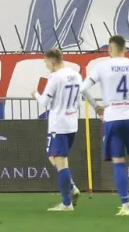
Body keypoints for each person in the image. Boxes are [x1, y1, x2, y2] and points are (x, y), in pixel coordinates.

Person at [84, 34, 129, 216]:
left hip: (113, 117)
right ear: (126, 49)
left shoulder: (102, 67)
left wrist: (96, 107)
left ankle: (126, 206)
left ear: (110, 49)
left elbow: (82, 89)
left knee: (118, 161)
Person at [35, 47, 83, 212]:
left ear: (52, 62)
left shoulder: (55, 77)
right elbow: (79, 101)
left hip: (59, 124)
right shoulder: (76, 74)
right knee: (52, 156)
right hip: (72, 122)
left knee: (60, 161)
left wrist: (35, 94)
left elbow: (43, 102)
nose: (46, 65)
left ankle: (66, 203)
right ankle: (72, 186)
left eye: (46, 62)